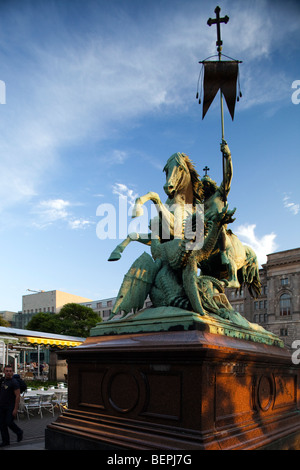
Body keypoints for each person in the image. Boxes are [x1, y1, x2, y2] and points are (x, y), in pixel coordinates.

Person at [0, 365, 23, 447]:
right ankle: (6, 441)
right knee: (2, 424)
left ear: (12, 372)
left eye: (10, 371)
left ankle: (19, 432)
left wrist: (15, 409)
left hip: (10, 406)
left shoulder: (14, 382)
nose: (9, 373)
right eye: (7, 371)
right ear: (4, 372)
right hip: (2, 406)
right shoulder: (3, 381)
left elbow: (17, 396)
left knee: (9, 422)